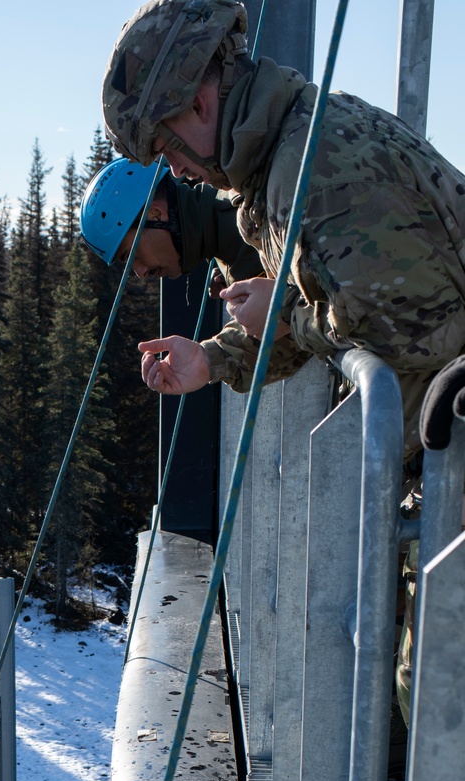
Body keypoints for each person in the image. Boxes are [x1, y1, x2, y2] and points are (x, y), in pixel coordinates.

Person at [99, 0, 465, 458]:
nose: (175, 171)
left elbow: (422, 331)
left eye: (165, 148)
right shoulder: (275, 164)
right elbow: (336, 316)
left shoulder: (318, 167)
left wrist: (287, 312)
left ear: (197, 104)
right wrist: (210, 359)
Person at [80, 156, 262, 287]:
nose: (142, 273)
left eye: (132, 255)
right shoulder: (218, 234)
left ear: (156, 214)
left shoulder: (249, 221)